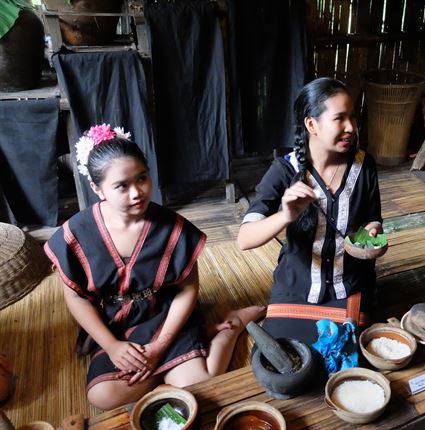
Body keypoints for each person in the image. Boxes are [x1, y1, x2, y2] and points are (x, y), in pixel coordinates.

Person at [45, 124, 265, 410]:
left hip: (165, 315)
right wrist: (112, 346)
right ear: (97, 189)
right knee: (102, 397)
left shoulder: (172, 228)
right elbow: (75, 297)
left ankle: (231, 327)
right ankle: (190, 350)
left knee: (200, 384)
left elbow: (188, 289)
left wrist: (160, 346)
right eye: (122, 186)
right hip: (115, 324)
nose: (137, 192)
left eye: (142, 178)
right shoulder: (76, 233)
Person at [237, 78, 383, 345]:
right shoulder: (285, 171)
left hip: (349, 282)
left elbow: (374, 218)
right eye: (340, 118)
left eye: (352, 116)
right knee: (289, 364)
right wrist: (284, 216)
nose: (351, 127)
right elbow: (244, 239)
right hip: (297, 285)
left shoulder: (365, 166)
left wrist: (372, 233)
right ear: (311, 124)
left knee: (346, 355)